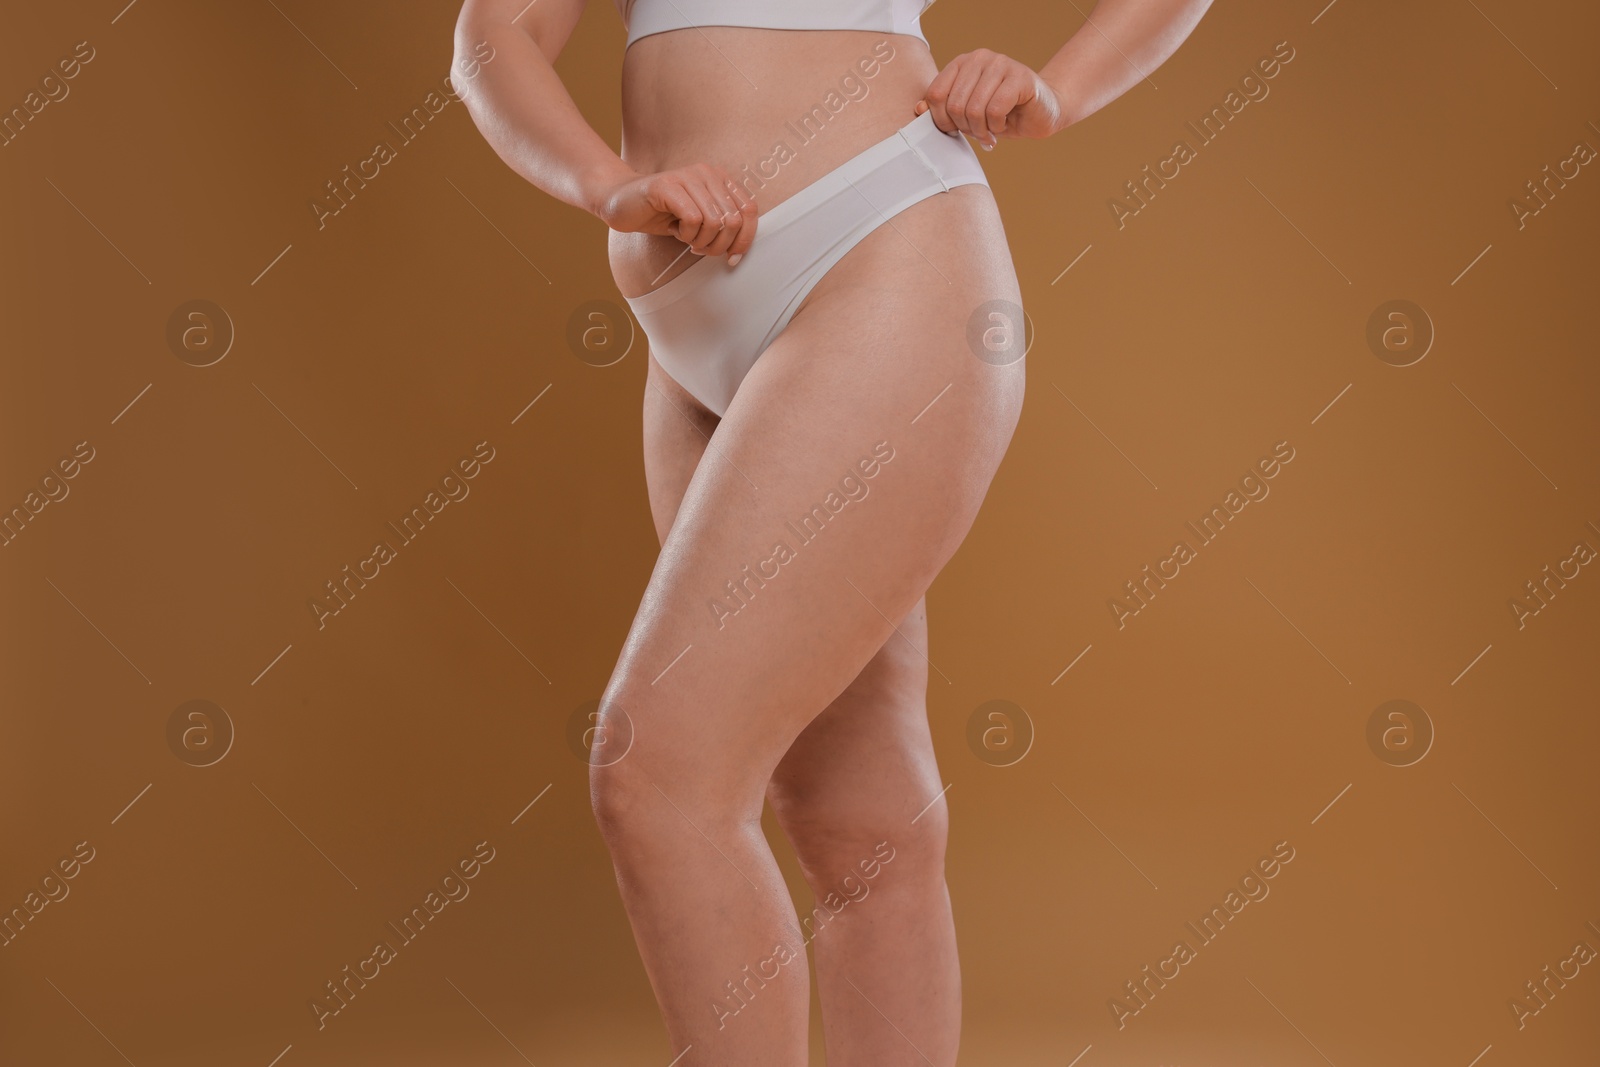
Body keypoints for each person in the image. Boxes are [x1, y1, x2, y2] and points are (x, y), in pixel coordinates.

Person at [452, 1, 1211, 1063]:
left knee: (658, 775)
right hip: (690, 330)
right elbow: (493, 38)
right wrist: (610, 184)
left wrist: (1060, 89)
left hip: (878, 254)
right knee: (858, 822)